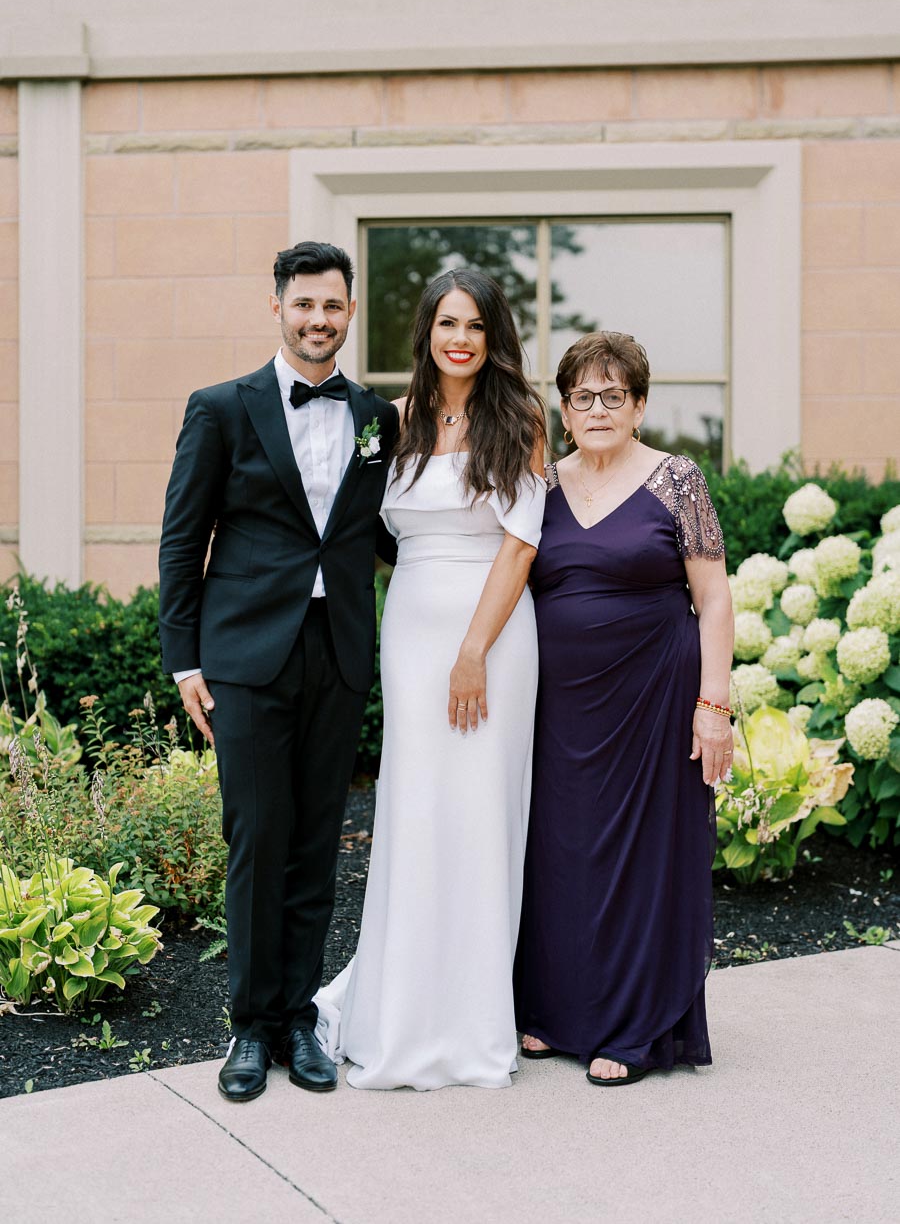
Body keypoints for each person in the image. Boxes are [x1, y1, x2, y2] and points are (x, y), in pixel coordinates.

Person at [158, 241, 399, 1102]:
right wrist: (182, 656)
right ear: (278, 309)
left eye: (333, 307)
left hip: (336, 654)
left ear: (348, 313)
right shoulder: (221, 408)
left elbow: (386, 535)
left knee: (316, 843)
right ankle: (249, 1029)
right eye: (304, 305)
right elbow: (183, 542)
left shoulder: (378, 418)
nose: (318, 320)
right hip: (245, 660)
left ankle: (299, 1020)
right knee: (257, 840)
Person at [315, 267, 546, 1090]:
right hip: (409, 628)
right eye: (448, 323)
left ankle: (473, 1021)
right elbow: (362, 528)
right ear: (427, 332)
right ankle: (402, 1004)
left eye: (476, 326)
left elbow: (521, 541)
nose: (461, 339)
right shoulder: (395, 421)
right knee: (414, 809)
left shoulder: (519, 417)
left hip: (492, 630)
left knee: (481, 812)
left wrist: (475, 650)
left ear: (494, 337)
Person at [513, 331, 734, 1086]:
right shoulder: (539, 485)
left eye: (615, 395)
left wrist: (714, 706)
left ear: (639, 405)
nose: (598, 408)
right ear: (564, 409)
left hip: (656, 700)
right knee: (560, 852)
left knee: (645, 857)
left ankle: (635, 1028)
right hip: (560, 709)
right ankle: (552, 1012)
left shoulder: (678, 481)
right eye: (583, 396)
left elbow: (713, 599)